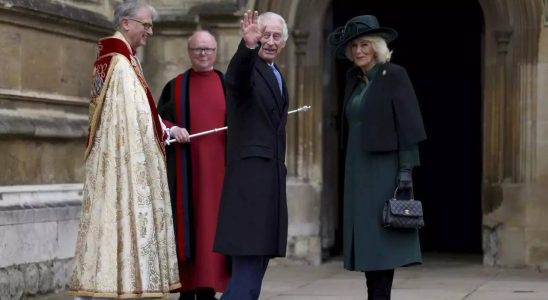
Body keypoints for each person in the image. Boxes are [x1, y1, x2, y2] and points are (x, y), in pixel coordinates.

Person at [69, 0, 183, 298]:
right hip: (123, 162)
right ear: (125, 23)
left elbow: (143, 110)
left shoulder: (123, 59)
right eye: (145, 25)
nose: (150, 31)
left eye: (151, 25)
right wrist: (161, 134)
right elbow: (133, 120)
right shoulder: (119, 64)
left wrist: (166, 129)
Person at [328, 15, 427, 300]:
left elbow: (408, 124)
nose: (359, 51)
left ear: (377, 47)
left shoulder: (394, 74)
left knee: (382, 243)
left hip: (385, 169)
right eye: (354, 46)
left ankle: (380, 296)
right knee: (368, 243)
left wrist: (407, 168)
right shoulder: (353, 80)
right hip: (357, 169)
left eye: (365, 45)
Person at [213, 10, 289, 300]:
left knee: (254, 274)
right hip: (249, 185)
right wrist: (247, 47)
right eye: (265, 35)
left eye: (275, 36)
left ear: (283, 42)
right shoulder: (249, 68)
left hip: (269, 185)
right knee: (246, 274)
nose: (269, 42)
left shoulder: (276, 72)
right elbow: (235, 79)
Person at [157, 30, 229, 300]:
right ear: (189, 52)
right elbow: (158, 120)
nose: (203, 54)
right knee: (189, 232)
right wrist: (173, 128)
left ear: (216, 52)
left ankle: (209, 288)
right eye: (198, 49)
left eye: (208, 49)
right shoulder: (175, 87)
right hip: (186, 176)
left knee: (213, 232)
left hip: (221, 176)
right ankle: (187, 290)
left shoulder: (228, 85)